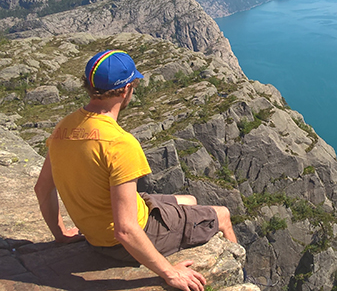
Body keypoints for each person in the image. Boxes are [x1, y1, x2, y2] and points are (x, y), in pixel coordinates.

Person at [34, 49, 237, 291]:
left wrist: (61, 236)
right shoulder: (120, 143)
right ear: (126, 88)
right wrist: (169, 273)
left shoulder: (63, 128)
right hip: (129, 239)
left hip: (95, 236)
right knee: (222, 214)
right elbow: (126, 230)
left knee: (190, 200)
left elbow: (42, 188)